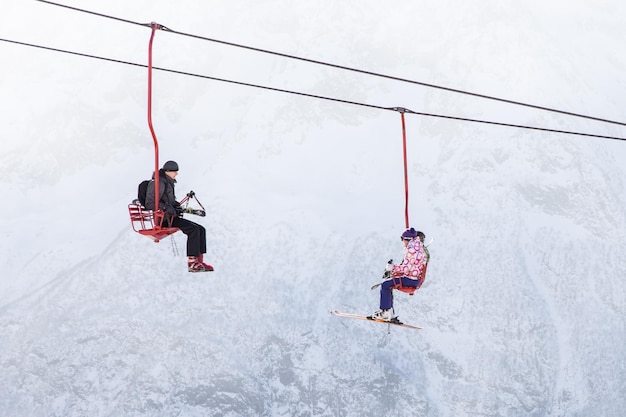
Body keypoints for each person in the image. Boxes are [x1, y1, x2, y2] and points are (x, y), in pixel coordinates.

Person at [145, 160, 214, 273]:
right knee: (194, 230)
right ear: (168, 171)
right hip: (163, 219)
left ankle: (199, 261)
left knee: (201, 229)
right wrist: (167, 207)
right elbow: (150, 203)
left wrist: (174, 205)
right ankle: (192, 263)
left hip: (170, 217)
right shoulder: (159, 183)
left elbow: (166, 200)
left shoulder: (168, 182)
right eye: (175, 172)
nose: (176, 174)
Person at [370, 227, 428, 321]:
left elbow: (406, 268)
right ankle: (388, 311)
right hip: (414, 279)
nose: (402, 241)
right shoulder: (418, 248)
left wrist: (392, 267)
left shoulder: (412, 251)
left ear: (407, 240)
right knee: (389, 285)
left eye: (402, 239)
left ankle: (386, 312)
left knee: (385, 285)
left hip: (410, 279)